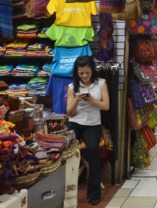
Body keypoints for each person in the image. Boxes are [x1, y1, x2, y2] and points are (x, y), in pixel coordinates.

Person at [66, 56, 110, 206]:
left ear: (92, 71)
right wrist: (77, 100)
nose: (84, 76)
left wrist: (91, 100)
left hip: (93, 123)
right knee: (66, 152)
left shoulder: (101, 84)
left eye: (87, 73)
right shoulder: (73, 87)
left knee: (93, 151)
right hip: (75, 122)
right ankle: (65, 191)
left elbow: (106, 106)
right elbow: (69, 113)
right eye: (81, 73)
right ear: (76, 73)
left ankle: (94, 193)